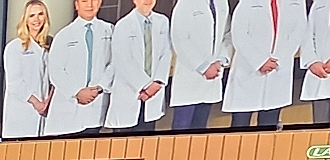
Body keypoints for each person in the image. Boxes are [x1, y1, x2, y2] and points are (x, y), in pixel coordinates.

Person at [224, 0, 309, 128]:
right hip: (250, 70)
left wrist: (277, 59)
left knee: (269, 122)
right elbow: (239, 33)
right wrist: (259, 61)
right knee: (240, 124)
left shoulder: (296, 2)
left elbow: (298, 31)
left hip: (277, 70)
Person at [46, 0, 115, 135]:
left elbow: (115, 63)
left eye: (94, 1)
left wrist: (99, 87)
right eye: (84, 1)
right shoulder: (64, 35)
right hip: (68, 107)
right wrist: (77, 92)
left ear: (100, 3)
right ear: (77, 5)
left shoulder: (110, 30)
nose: (90, 5)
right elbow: (55, 70)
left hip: (97, 102)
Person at [108, 0, 173, 131]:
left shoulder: (163, 21)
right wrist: (145, 86)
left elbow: (166, 53)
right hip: (131, 91)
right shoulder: (123, 25)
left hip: (153, 92)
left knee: (147, 139)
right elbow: (123, 61)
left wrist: (157, 82)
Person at [170, 0, 231, 129]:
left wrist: (221, 60)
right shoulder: (185, 3)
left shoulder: (222, 2)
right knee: (182, 127)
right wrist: (203, 67)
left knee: (200, 127)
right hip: (191, 76)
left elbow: (227, 34)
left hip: (213, 75)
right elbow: (179, 38)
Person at [3, 0, 54, 136]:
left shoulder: (49, 47)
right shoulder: (15, 47)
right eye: (31, 16)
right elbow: (15, 83)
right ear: (25, 19)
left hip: (44, 113)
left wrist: (47, 103)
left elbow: (54, 79)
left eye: (40, 14)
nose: (36, 19)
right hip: (21, 115)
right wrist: (36, 103)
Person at [302, 0, 330, 124]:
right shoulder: (320, 3)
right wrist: (311, 61)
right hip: (319, 74)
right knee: (320, 127)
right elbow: (308, 33)